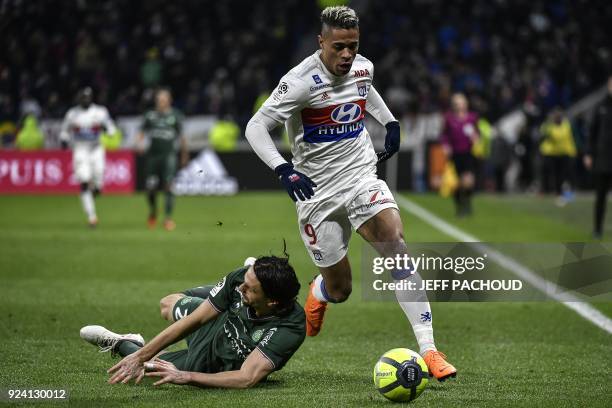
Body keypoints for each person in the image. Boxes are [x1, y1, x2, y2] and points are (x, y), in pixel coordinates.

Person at [245, 6, 456, 381]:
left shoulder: (363, 66)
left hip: (360, 176)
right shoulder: (299, 82)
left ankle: (429, 350)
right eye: (339, 47)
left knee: (397, 247)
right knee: (341, 289)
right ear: (321, 42)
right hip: (317, 194)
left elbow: (366, 89)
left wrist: (388, 120)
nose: (346, 55)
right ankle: (320, 292)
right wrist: (283, 169)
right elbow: (256, 126)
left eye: (353, 47)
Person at [80, 256, 305, 388]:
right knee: (167, 304)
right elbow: (196, 320)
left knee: (150, 373)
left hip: (218, 363)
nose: (241, 287)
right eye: (244, 282)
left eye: (250, 288)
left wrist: (186, 376)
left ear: (273, 301)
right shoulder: (240, 278)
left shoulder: (290, 326)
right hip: (217, 324)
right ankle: (219, 296)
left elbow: (247, 377)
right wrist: (142, 355)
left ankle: (122, 343)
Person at [60, 87, 117, 227]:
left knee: (98, 181)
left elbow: (111, 128)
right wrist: (64, 140)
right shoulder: (72, 114)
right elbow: (64, 131)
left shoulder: (100, 112)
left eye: (88, 97)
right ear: (79, 98)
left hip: (96, 149)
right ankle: (92, 217)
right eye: (83, 97)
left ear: (92, 98)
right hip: (80, 149)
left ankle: (96, 189)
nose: (85, 100)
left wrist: (107, 130)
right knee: (84, 181)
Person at [136, 88, 187, 231]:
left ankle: (168, 218)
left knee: (169, 185)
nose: (162, 102)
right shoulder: (150, 115)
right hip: (153, 156)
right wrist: (139, 143)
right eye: (159, 100)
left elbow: (182, 137)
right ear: (156, 101)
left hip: (169, 156)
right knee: (151, 188)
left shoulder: (176, 115)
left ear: (169, 101)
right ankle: (153, 212)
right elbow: (141, 132)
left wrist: (184, 155)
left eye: (164, 99)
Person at [439, 93, 480, 217]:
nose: (459, 105)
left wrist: (476, 138)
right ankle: (459, 206)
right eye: (456, 103)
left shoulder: (472, 117)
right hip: (455, 154)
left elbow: (477, 132)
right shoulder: (449, 118)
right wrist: (446, 146)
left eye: (461, 103)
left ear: (466, 104)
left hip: (468, 153)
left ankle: (467, 203)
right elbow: (444, 135)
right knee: (457, 183)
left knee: (468, 181)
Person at [584, 76, 612, 239]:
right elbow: (592, 132)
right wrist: (588, 153)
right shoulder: (601, 106)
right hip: (602, 158)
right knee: (600, 196)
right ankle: (597, 229)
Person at [539, 107, 577, 206]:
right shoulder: (549, 126)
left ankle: (566, 193)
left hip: (564, 153)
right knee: (552, 174)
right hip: (551, 153)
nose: (557, 118)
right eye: (556, 116)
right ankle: (552, 192)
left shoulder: (566, 125)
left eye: (559, 116)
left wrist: (572, 151)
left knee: (564, 174)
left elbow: (569, 139)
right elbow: (543, 134)